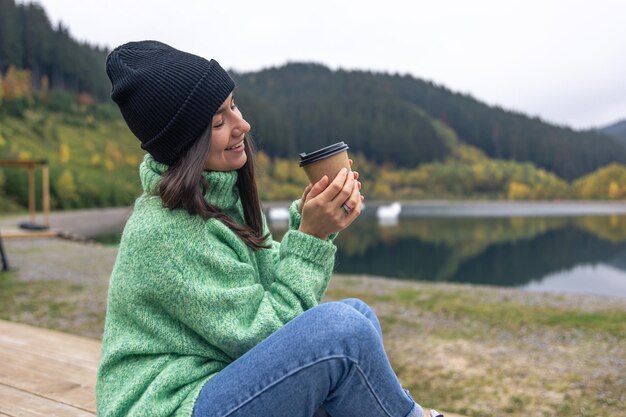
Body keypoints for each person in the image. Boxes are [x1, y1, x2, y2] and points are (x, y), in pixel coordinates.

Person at [97, 40, 442, 417]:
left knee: (358, 315)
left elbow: (266, 290)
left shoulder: (221, 199)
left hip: (215, 378)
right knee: (341, 331)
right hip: (172, 405)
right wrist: (310, 238)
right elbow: (264, 335)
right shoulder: (165, 234)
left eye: (233, 106)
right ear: (185, 145)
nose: (242, 125)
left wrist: (311, 221)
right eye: (218, 121)